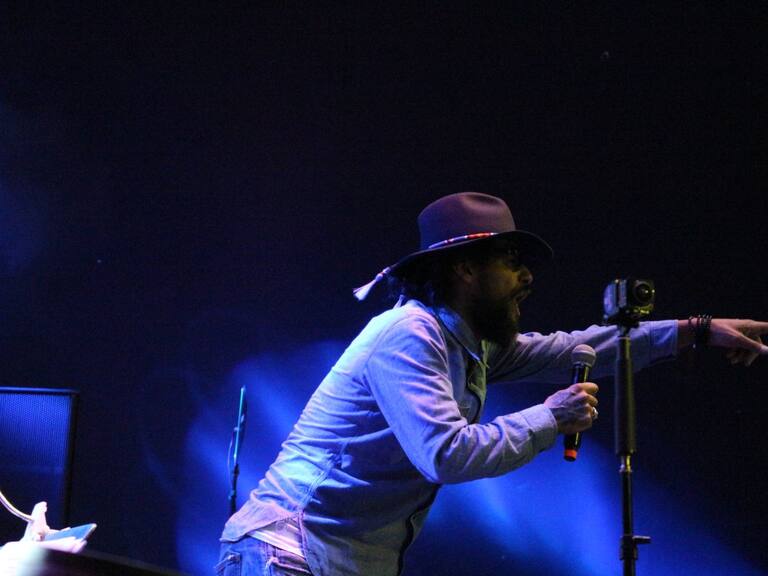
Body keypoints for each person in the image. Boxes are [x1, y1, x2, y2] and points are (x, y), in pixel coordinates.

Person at [217, 192, 767, 576]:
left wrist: (695, 331)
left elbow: (571, 347)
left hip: (336, 561)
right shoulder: (409, 334)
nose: (526, 276)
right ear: (463, 268)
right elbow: (446, 454)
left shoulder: (467, 345)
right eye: (509, 260)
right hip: (288, 553)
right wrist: (551, 417)